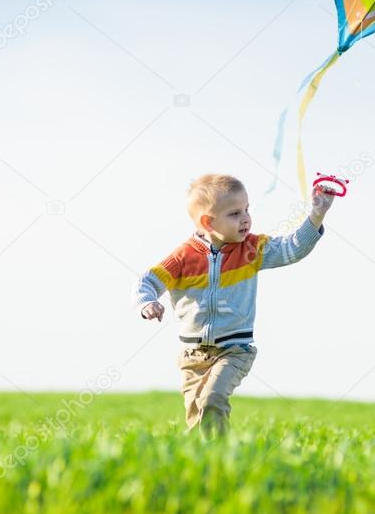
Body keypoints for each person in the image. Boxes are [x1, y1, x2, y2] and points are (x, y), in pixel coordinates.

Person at [132, 173, 335, 438]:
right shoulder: (184, 256)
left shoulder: (251, 250)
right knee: (197, 418)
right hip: (192, 356)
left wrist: (317, 214)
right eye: (235, 213)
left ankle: (223, 455)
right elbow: (148, 281)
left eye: (247, 210)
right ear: (208, 221)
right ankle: (212, 462)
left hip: (234, 350)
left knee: (212, 399)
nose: (246, 218)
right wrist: (147, 301)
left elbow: (292, 248)